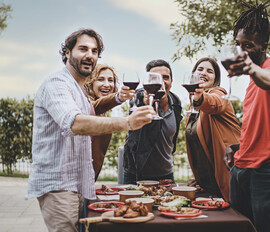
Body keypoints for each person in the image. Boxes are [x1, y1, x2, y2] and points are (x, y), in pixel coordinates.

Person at [26, 28, 155, 232]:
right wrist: (127, 123)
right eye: (83, 49)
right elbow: (75, 123)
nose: (90, 55)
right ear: (67, 52)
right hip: (59, 186)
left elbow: (96, 108)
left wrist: (118, 98)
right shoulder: (56, 84)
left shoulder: (80, 91)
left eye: (94, 51)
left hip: (78, 185)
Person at [224, 2, 270, 232]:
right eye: (238, 45)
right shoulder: (253, 82)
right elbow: (258, 127)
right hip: (241, 169)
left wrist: (252, 69)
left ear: (264, 44)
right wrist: (237, 146)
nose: (241, 50)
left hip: (267, 172)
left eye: (248, 45)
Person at [185, 57, 241, 202]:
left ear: (215, 79)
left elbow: (214, 103)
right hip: (208, 183)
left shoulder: (219, 95)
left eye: (210, 71)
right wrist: (199, 178)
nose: (204, 73)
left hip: (228, 177)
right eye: (200, 69)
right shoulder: (192, 111)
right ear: (193, 74)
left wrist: (199, 97)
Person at [122, 59, 182, 184]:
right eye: (155, 77)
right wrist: (145, 102)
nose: (161, 82)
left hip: (166, 173)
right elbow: (138, 98)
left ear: (171, 81)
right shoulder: (140, 97)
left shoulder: (176, 102)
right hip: (136, 174)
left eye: (165, 77)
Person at [86, 64, 133, 181]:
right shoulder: (85, 103)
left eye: (110, 80)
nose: (107, 84)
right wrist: (118, 97)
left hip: (91, 178)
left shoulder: (104, 111)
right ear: (90, 82)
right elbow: (92, 108)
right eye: (100, 79)